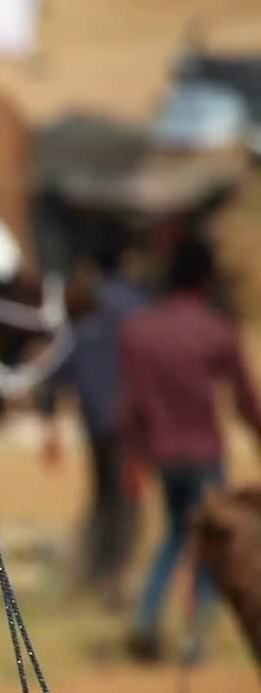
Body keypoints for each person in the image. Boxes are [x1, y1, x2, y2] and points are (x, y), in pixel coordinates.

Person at [119, 232, 261, 664]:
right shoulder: (216, 330)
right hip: (204, 455)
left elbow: (131, 404)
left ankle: (146, 621)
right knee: (210, 547)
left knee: (176, 536)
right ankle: (194, 639)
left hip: (163, 454)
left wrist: (133, 459)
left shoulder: (140, 332)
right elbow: (245, 400)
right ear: (206, 279)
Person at [39, 244, 147, 608]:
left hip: (94, 420)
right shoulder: (135, 304)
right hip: (128, 422)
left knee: (104, 494)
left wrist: (50, 419)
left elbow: (60, 365)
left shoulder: (81, 308)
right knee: (127, 501)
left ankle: (93, 572)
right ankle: (115, 578)